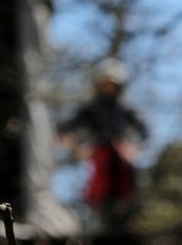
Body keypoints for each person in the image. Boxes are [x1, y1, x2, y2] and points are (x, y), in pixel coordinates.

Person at [58, 58, 149, 233]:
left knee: (126, 189)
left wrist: (132, 147)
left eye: (112, 84)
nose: (108, 88)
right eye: (105, 84)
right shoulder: (90, 109)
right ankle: (100, 222)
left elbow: (144, 132)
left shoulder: (125, 109)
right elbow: (67, 128)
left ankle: (126, 221)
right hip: (99, 155)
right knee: (100, 191)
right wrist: (76, 145)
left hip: (121, 157)